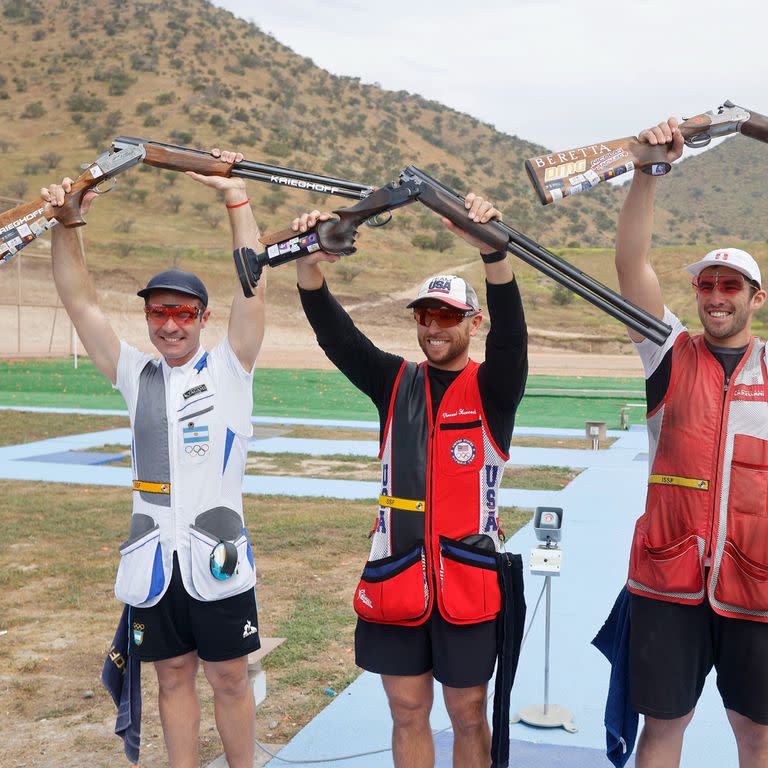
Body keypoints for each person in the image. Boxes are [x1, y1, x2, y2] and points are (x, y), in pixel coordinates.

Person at [42, 151, 265, 768]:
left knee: (229, 680)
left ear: (203, 318)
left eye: (182, 312)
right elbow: (79, 303)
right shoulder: (134, 373)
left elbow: (254, 282)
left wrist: (235, 199)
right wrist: (67, 225)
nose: (170, 325)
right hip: (153, 565)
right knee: (170, 678)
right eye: (158, 312)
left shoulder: (230, 366)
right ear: (147, 316)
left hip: (216, 561)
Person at [292, 195, 527, 768]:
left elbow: (513, 340)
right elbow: (337, 337)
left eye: (447, 315)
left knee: (469, 713)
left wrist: (495, 255)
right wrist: (309, 262)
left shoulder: (493, 389)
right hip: (398, 575)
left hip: (467, 581)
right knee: (405, 712)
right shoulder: (394, 382)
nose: (433, 326)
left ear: (473, 321)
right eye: (425, 315)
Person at [615, 117, 768, 768]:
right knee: (662, 731)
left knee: (757, 737)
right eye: (705, 285)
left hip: (755, 589)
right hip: (667, 584)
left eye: (729, 285)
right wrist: (650, 170)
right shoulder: (667, 353)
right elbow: (630, 264)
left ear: (755, 298)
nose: (714, 296)